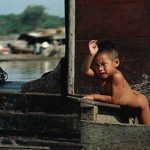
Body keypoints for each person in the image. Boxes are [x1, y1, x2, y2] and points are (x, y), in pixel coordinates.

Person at [81, 40, 150, 125]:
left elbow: (115, 100)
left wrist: (94, 96)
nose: (100, 69)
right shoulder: (102, 75)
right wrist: (91, 54)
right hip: (123, 108)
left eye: (104, 64)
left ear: (116, 63)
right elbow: (85, 70)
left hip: (139, 106)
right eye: (97, 65)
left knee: (146, 133)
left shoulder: (117, 76)